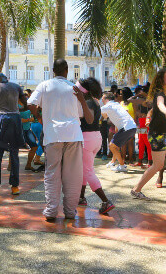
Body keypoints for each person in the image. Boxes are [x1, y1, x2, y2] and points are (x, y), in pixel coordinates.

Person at [28, 59, 94, 221]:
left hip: (53, 135)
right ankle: (70, 212)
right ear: (67, 70)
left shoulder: (44, 85)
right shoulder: (74, 88)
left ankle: (51, 211)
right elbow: (89, 119)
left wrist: (39, 116)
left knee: (52, 173)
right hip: (73, 135)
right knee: (73, 175)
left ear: (53, 70)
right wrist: (82, 100)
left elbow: (30, 103)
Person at [131, 69, 166, 200]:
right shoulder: (160, 95)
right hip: (157, 134)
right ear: (161, 79)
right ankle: (136, 190)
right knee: (158, 165)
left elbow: (165, 116)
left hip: (165, 134)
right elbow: (160, 105)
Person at [0, 73, 28, 196]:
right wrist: (17, 110)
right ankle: (15, 187)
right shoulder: (16, 87)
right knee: (14, 154)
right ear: (7, 80)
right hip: (15, 119)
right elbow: (26, 104)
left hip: (0, 119)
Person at [77, 78, 115, 214]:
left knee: (88, 171)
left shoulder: (87, 102)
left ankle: (106, 201)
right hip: (95, 137)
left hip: (87, 138)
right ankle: (81, 197)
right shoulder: (94, 101)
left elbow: (90, 119)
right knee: (85, 169)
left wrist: (80, 101)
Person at [101, 92, 137, 173]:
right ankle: (113, 162)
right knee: (115, 146)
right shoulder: (116, 104)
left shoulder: (108, 106)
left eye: (102, 99)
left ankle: (122, 165)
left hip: (126, 128)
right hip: (131, 127)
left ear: (106, 99)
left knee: (112, 146)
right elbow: (107, 116)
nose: (101, 100)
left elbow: (103, 116)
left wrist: (96, 103)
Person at [20, 92, 38, 171]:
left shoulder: (26, 105)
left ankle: (28, 164)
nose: (26, 98)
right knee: (14, 149)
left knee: (34, 146)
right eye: (24, 96)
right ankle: (10, 166)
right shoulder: (16, 106)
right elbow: (18, 120)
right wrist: (29, 120)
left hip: (27, 129)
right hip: (19, 130)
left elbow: (33, 110)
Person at [120, 87, 135, 165]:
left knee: (130, 142)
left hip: (131, 124)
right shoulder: (121, 103)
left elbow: (135, 114)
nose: (120, 95)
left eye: (122, 94)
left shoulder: (133, 102)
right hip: (123, 125)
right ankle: (123, 159)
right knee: (123, 143)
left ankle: (130, 159)